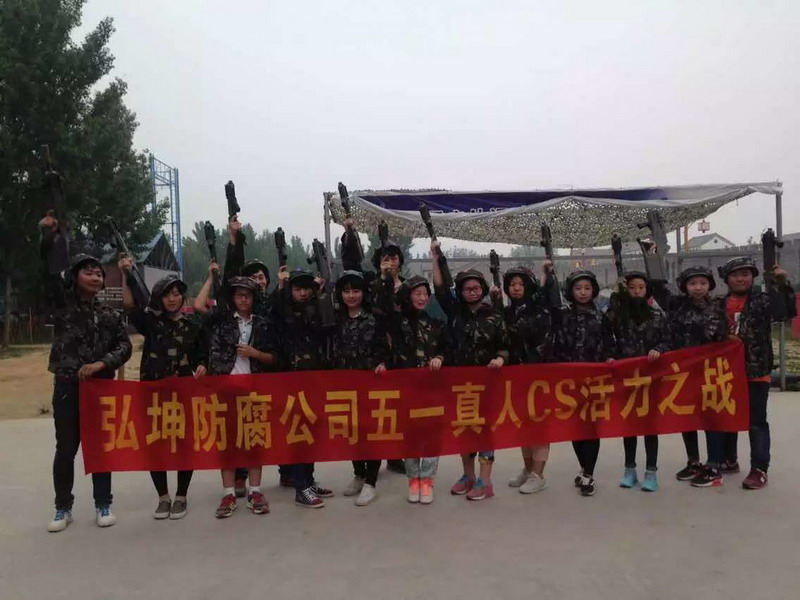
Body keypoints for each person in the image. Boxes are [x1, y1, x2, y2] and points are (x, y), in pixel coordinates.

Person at [39, 215, 132, 533]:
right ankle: (62, 507)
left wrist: (102, 364)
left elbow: (125, 346)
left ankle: (103, 503)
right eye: (88, 271)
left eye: (98, 273)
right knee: (66, 449)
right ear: (75, 276)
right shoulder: (62, 305)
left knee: (100, 447)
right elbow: (49, 272)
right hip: (67, 386)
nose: (95, 276)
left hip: (100, 389)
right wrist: (50, 238)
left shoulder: (110, 315)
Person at [119, 257, 201, 519]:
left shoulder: (193, 327)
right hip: (153, 395)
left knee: (184, 443)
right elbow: (129, 305)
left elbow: (202, 357)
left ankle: (181, 496)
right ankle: (163, 497)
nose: (172, 299)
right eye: (167, 294)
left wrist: (203, 367)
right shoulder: (151, 323)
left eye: (176, 293)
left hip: (183, 394)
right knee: (156, 444)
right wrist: (125, 274)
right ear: (160, 298)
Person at [194, 271, 281, 517]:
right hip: (225, 390)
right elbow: (198, 306)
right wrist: (210, 278)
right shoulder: (221, 321)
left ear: (254, 298)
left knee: (254, 441)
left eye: (248, 296)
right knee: (227, 443)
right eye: (239, 295)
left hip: (253, 390)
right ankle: (228, 493)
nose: (243, 300)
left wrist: (255, 354)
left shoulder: (263, 324)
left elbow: (275, 358)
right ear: (232, 298)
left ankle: (255, 490)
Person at [431, 241, 509, 501]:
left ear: (483, 290)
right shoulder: (455, 314)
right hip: (460, 384)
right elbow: (440, 288)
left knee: (484, 430)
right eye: (467, 289)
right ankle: (468, 476)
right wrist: (435, 256)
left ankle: (485, 481)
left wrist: (500, 359)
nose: (472, 292)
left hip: (487, 384)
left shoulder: (494, 315)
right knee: (464, 429)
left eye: (476, 288)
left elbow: (505, 346)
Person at [716, 257, 795, 489]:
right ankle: (729, 459)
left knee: (757, 421)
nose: (741, 279)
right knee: (727, 416)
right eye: (735, 275)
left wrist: (782, 284)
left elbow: (784, 313)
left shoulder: (762, 301)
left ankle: (759, 468)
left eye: (746, 274)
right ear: (726, 279)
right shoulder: (717, 304)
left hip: (756, 371)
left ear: (752, 277)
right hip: (725, 372)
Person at [380, 275, 451, 504]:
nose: (421, 298)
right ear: (408, 296)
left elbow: (446, 348)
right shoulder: (398, 323)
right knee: (410, 436)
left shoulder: (436, 323)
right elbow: (383, 311)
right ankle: (413, 480)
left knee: (431, 436)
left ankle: (427, 481)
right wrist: (387, 279)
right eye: (416, 294)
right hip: (406, 390)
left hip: (431, 390)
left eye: (424, 294)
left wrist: (440, 357)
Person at [273, 268, 335, 508]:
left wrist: (321, 293)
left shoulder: (315, 308)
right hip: (292, 381)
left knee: (312, 433)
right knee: (298, 433)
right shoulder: (284, 310)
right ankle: (301, 487)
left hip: (314, 379)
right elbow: (273, 310)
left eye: (306, 289)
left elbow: (327, 327)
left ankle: (308, 481)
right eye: (297, 289)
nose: (302, 293)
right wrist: (280, 286)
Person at [550, 269, 615, 497]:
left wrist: (609, 357)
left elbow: (609, 343)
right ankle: (583, 467)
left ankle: (589, 473)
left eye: (587, 288)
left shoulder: (601, 316)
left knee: (591, 426)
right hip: (569, 381)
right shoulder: (562, 315)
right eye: (578, 288)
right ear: (571, 291)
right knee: (575, 426)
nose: (583, 292)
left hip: (594, 379)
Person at [490, 266, 552, 495]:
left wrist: (547, 276)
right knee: (523, 424)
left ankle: (538, 474)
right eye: (512, 284)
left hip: (538, 375)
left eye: (521, 284)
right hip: (515, 376)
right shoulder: (507, 312)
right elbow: (501, 336)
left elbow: (535, 335)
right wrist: (496, 303)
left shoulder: (539, 310)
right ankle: (528, 469)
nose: (516, 288)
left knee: (539, 426)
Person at [606, 271, 669, 492]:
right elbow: (607, 335)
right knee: (629, 425)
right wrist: (611, 355)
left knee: (650, 426)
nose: (637, 291)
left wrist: (658, 349)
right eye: (632, 287)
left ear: (647, 290)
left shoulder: (657, 315)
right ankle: (629, 470)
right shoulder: (619, 315)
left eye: (641, 287)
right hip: (627, 378)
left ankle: (651, 471)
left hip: (651, 378)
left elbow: (667, 339)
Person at [666, 266, 728, 487]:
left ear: (710, 285)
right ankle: (693, 461)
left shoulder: (717, 308)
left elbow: (721, 340)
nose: (698, 287)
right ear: (685, 287)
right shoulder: (677, 306)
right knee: (687, 416)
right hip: (684, 372)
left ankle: (714, 466)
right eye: (693, 283)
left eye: (703, 283)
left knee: (711, 417)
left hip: (709, 372)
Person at [331, 271, 389, 506]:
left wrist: (383, 362)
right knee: (351, 431)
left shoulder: (374, 318)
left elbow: (384, 347)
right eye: (346, 291)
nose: (351, 295)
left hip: (371, 384)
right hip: (345, 384)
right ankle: (359, 473)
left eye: (356, 290)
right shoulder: (335, 318)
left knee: (371, 432)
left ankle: (371, 482)